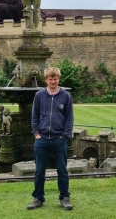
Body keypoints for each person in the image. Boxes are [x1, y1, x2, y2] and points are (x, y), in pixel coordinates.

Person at [27, 67, 74, 211]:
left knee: (62, 170)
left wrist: (64, 136)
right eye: (50, 79)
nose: (53, 81)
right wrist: (36, 134)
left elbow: (69, 119)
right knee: (39, 171)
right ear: (46, 79)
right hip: (41, 139)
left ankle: (64, 198)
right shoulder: (39, 95)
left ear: (58, 79)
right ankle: (38, 198)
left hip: (59, 139)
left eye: (55, 79)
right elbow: (34, 116)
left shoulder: (65, 96)